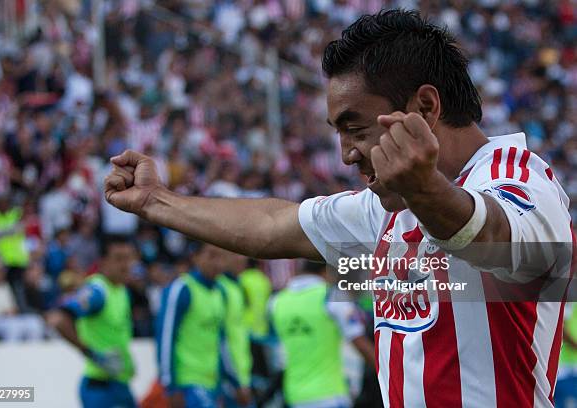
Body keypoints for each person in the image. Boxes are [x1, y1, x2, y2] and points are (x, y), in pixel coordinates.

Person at [105, 9, 572, 407]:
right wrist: (156, 201)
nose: (347, 154)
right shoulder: (387, 209)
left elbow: (497, 238)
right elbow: (273, 225)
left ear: (426, 107)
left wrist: (426, 191)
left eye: (356, 128)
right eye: (338, 133)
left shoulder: (519, 177)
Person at [269, 261, 377, 408]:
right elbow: (361, 344)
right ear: (326, 271)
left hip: (294, 395)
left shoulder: (277, 301)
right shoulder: (331, 296)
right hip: (331, 395)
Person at [45, 236, 137, 408]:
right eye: (118, 259)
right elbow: (59, 320)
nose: (125, 265)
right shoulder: (97, 291)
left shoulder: (121, 290)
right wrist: (91, 353)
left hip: (120, 386)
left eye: (128, 258)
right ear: (103, 262)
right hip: (100, 388)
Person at [155, 243, 249, 408]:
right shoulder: (182, 289)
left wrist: (236, 383)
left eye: (222, 256)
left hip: (213, 383)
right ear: (195, 257)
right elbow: (165, 337)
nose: (217, 263)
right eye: (212, 256)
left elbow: (222, 343)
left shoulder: (221, 292)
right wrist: (170, 386)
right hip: (188, 383)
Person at [217, 252, 253, 407]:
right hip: (228, 380)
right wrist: (235, 381)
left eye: (243, 254)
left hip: (241, 375)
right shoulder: (220, 288)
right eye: (235, 254)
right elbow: (219, 339)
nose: (242, 258)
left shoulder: (237, 285)